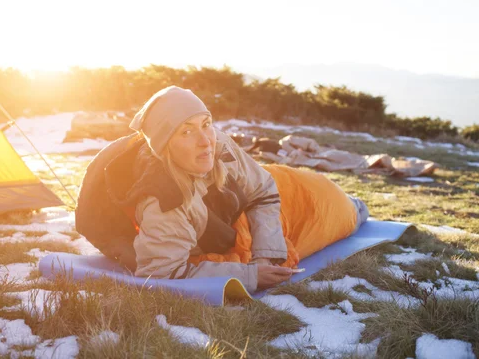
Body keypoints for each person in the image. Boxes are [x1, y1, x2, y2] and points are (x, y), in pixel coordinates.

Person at [75, 86, 369, 292]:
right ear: (164, 147)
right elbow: (164, 273)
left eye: (206, 124)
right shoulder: (163, 202)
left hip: (286, 188)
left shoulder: (217, 144)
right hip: (268, 211)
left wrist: (266, 254)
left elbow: (264, 190)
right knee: (340, 217)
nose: (206, 141)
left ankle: (356, 207)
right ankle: (355, 210)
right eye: (186, 131)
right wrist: (251, 275)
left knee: (334, 202)